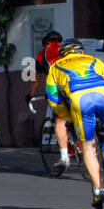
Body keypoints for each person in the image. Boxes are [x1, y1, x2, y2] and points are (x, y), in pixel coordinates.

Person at [45, 39, 104, 209]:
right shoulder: (94, 60)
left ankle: (99, 191)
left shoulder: (55, 68)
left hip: (80, 102)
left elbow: (53, 99)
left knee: (88, 146)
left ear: (63, 54)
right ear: (81, 52)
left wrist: (68, 117)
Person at [26, 30, 70, 171]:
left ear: (45, 42)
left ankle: (64, 156)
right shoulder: (67, 49)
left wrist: (30, 95)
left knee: (60, 120)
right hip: (78, 85)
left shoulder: (41, 54)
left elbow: (35, 81)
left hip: (59, 88)